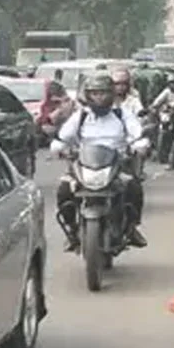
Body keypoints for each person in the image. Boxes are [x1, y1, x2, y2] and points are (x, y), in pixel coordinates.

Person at [50, 75, 150, 251]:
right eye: (95, 94)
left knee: (134, 187)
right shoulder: (81, 116)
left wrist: (140, 145)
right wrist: (59, 147)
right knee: (63, 190)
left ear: (111, 94)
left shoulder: (122, 114)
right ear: (88, 95)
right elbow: (63, 137)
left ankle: (132, 228)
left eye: (103, 93)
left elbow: (137, 134)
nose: (99, 98)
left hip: (117, 164)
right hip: (84, 164)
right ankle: (72, 230)